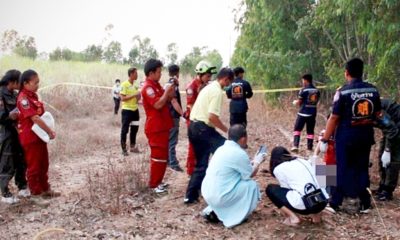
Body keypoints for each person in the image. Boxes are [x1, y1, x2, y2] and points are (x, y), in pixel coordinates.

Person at [320, 58, 382, 213]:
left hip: (346, 138)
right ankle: (365, 203)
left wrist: (325, 139)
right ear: (362, 72)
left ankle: (335, 202)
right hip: (365, 137)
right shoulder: (373, 90)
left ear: (346, 73)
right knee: (362, 168)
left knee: (341, 168)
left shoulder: (343, 92)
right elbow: (378, 114)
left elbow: (334, 117)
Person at [184, 67, 234, 204]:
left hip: (193, 127)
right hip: (202, 128)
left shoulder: (208, 88)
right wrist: (227, 130)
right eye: (229, 83)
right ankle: (226, 184)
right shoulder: (217, 91)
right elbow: (212, 117)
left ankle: (190, 195)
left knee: (201, 163)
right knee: (227, 149)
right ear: (225, 79)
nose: (228, 86)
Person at [201, 124, 265, 228]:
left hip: (208, 193)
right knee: (251, 185)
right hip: (220, 196)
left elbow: (237, 167)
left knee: (237, 181)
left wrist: (253, 161)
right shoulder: (239, 153)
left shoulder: (221, 149)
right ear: (243, 139)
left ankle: (217, 211)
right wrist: (257, 162)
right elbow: (250, 174)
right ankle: (235, 217)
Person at [17, 69, 60, 199]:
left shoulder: (33, 96)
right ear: (26, 83)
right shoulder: (23, 99)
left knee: (43, 163)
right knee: (34, 166)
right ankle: (36, 194)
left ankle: (45, 188)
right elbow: (35, 118)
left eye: (38, 83)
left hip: (39, 136)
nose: (37, 85)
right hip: (30, 137)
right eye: (35, 83)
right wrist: (49, 131)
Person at [266, 147, 328, 226]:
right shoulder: (303, 161)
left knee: (270, 189)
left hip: (306, 206)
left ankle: (293, 218)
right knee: (313, 187)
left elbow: (286, 190)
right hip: (323, 201)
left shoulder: (278, 169)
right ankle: (316, 218)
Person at [140, 59, 175, 193]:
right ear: (151, 73)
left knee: (163, 156)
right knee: (157, 157)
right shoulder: (148, 87)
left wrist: (171, 89)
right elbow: (158, 104)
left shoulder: (156, 85)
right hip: (155, 127)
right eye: (159, 72)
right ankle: (154, 185)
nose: (160, 74)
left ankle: (159, 182)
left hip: (162, 125)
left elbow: (168, 99)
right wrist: (166, 92)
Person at [0, 70, 30, 204]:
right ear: (12, 82)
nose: (22, 85)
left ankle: (22, 186)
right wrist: (9, 116)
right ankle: (5, 193)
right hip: (6, 133)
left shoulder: (16, 94)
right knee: (7, 162)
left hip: (18, 131)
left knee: (21, 160)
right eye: (20, 82)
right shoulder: (1, 94)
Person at [184, 60, 217, 176]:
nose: (209, 78)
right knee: (193, 147)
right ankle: (191, 172)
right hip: (194, 121)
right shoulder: (191, 87)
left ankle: (202, 170)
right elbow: (192, 107)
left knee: (205, 147)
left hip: (204, 121)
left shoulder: (206, 86)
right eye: (208, 76)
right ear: (201, 74)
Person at [374, 99, 400, 201]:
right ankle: (383, 185)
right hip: (389, 129)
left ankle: (388, 190)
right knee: (382, 156)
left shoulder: (375, 109)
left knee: (392, 159)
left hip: (396, 128)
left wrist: (388, 150)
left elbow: (392, 130)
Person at [291, 74, 320, 152]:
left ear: (306, 80)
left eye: (303, 80)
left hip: (303, 113)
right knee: (310, 131)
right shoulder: (317, 91)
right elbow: (316, 102)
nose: (302, 82)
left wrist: (295, 102)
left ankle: (295, 145)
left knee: (297, 129)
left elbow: (300, 102)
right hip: (312, 113)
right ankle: (310, 147)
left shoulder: (303, 90)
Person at [165, 64, 184, 172]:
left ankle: (168, 160)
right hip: (173, 115)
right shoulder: (173, 84)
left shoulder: (168, 83)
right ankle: (173, 162)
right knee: (172, 140)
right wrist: (182, 114)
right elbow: (174, 101)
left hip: (168, 115)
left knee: (169, 139)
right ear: (178, 72)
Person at [120, 68, 141, 156]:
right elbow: (122, 98)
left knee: (135, 129)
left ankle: (132, 147)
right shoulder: (124, 84)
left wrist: (138, 96)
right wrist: (134, 95)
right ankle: (124, 149)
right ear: (131, 74)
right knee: (125, 130)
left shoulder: (136, 84)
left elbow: (138, 97)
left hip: (135, 110)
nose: (137, 75)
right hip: (127, 110)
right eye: (136, 73)